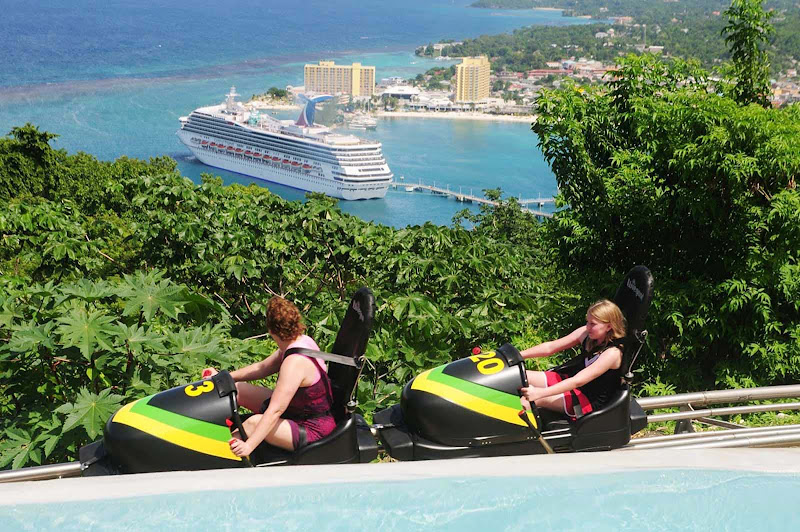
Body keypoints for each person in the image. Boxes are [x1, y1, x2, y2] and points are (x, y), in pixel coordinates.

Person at [202, 297, 336, 457]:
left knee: (252, 424)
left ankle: (211, 454)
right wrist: (223, 378)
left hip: (313, 428)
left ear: (271, 330)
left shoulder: (294, 363)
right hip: (297, 411)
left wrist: (249, 446)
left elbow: (275, 410)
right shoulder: (300, 341)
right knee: (237, 390)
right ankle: (210, 430)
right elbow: (263, 367)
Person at [519, 299, 626, 419]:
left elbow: (578, 381)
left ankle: (514, 436)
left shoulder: (612, 353)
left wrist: (539, 393)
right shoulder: (587, 334)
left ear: (609, 326)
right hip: (571, 383)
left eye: (593, 324)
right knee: (517, 376)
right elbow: (550, 347)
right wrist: (517, 355)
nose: (588, 327)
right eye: (587, 322)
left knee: (527, 401)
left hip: (585, 399)